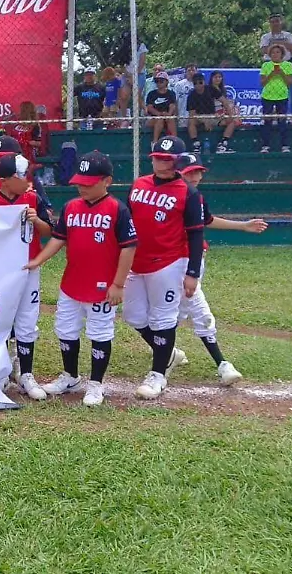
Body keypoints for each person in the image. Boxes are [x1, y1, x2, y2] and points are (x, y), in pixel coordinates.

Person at [25, 151, 137, 407]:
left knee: (99, 331)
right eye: (79, 182)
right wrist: (38, 260)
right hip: (72, 282)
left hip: (102, 286)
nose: (82, 187)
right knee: (65, 329)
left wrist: (118, 284)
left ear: (107, 181)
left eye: (88, 183)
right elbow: (58, 238)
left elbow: (129, 247)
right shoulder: (71, 207)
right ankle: (71, 376)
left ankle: (96, 383)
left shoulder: (117, 209)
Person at [123, 136, 205, 401]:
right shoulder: (139, 184)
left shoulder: (188, 192)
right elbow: (126, 221)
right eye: (158, 158)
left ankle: (158, 375)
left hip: (169, 262)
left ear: (179, 161)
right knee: (133, 316)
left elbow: (195, 234)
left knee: (163, 318)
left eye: (167, 159)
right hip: (137, 261)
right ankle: (169, 353)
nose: (161, 163)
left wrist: (192, 272)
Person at [170, 153, 261, 385]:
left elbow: (207, 221)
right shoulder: (170, 196)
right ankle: (221, 364)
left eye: (198, 172)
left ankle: (166, 349)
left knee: (180, 308)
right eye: (189, 172)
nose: (195, 176)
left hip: (192, 259)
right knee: (193, 309)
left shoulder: (197, 197)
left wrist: (243, 226)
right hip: (174, 261)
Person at [0, 154, 52, 400]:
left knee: (27, 321)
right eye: (21, 176)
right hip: (0, 271)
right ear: (5, 180)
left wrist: (37, 220)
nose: (27, 180)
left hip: (28, 268)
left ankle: (26, 373)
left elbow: (50, 230)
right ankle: (0, 372)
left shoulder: (32, 198)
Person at [260, 44, 292, 154]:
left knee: (282, 121)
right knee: (267, 121)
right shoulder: (266, 65)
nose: (275, 54)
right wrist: (271, 74)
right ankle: (265, 145)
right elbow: (262, 83)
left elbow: (290, 83)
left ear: (282, 54)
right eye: (273, 53)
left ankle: (284, 145)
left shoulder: (288, 65)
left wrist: (282, 73)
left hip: (282, 96)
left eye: (277, 52)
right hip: (267, 96)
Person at [144, 72, 178, 143]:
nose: (159, 83)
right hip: (153, 118)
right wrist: (160, 114)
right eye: (157, 81)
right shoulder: (151, 94)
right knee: (160, 119)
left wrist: (168, 114)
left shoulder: (171, 93)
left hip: (167, 117)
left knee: (171, 119)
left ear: (166, 82)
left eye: (161, 81)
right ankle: (155, 142)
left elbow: (172, 106)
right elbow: (149, 107)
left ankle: (175, 142)